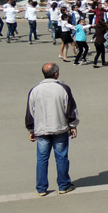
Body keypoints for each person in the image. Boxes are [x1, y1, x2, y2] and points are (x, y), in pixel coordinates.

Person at [25, 63, 78, 196]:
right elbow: (70, 109)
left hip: (42, 129)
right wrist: (73, 126)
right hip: (60, 127)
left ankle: (41, 188)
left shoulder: (35, 90)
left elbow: (30, 111)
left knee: (42, 159)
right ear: (56, 74)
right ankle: (63, 185)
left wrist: (31, 130)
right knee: (61, 157)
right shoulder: (63, 88)